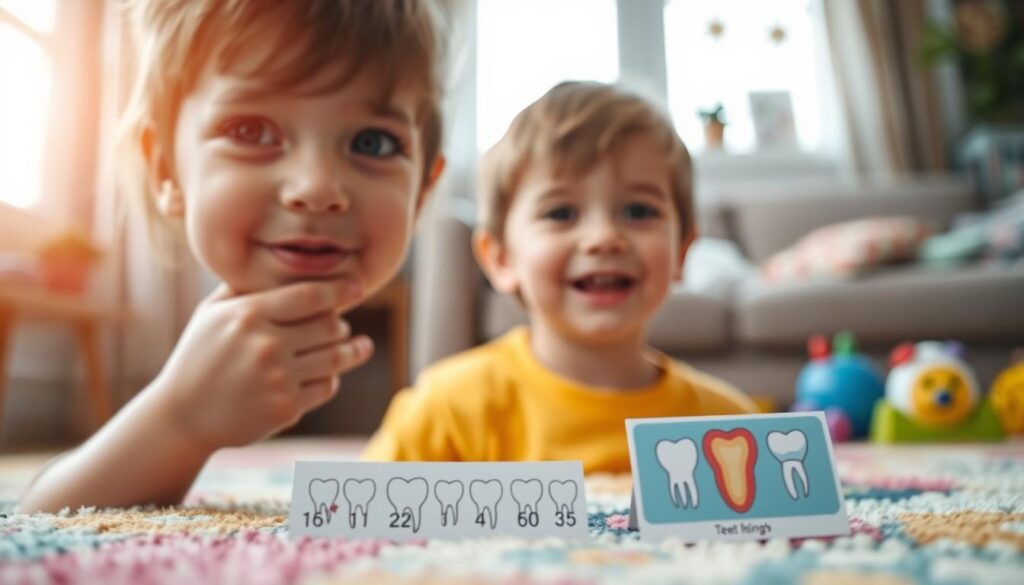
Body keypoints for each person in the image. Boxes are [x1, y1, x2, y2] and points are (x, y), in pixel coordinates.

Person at [18, 0, 448, 513]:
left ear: (423, 190)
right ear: (164, 170)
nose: (315, 189)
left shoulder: (469, 394)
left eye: (372, 143)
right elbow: (38, 524)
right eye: (250, 132)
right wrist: (180, 418)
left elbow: (556, 509)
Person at [364, 81, 757, 473]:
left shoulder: (728, 427)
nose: (604, 238)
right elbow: (355, 519)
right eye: (561, 213)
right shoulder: (447, 409)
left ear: (682, 252)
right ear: (500, 258)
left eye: (638, 212)